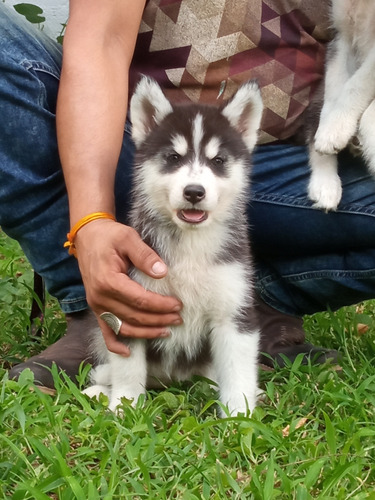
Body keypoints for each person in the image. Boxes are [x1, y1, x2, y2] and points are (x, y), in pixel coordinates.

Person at [2, 0, 375, 390]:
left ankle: (247, 303)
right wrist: (90, 223)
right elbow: (102, 40)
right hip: (139, 149)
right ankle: (106, 300)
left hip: (300, 161)